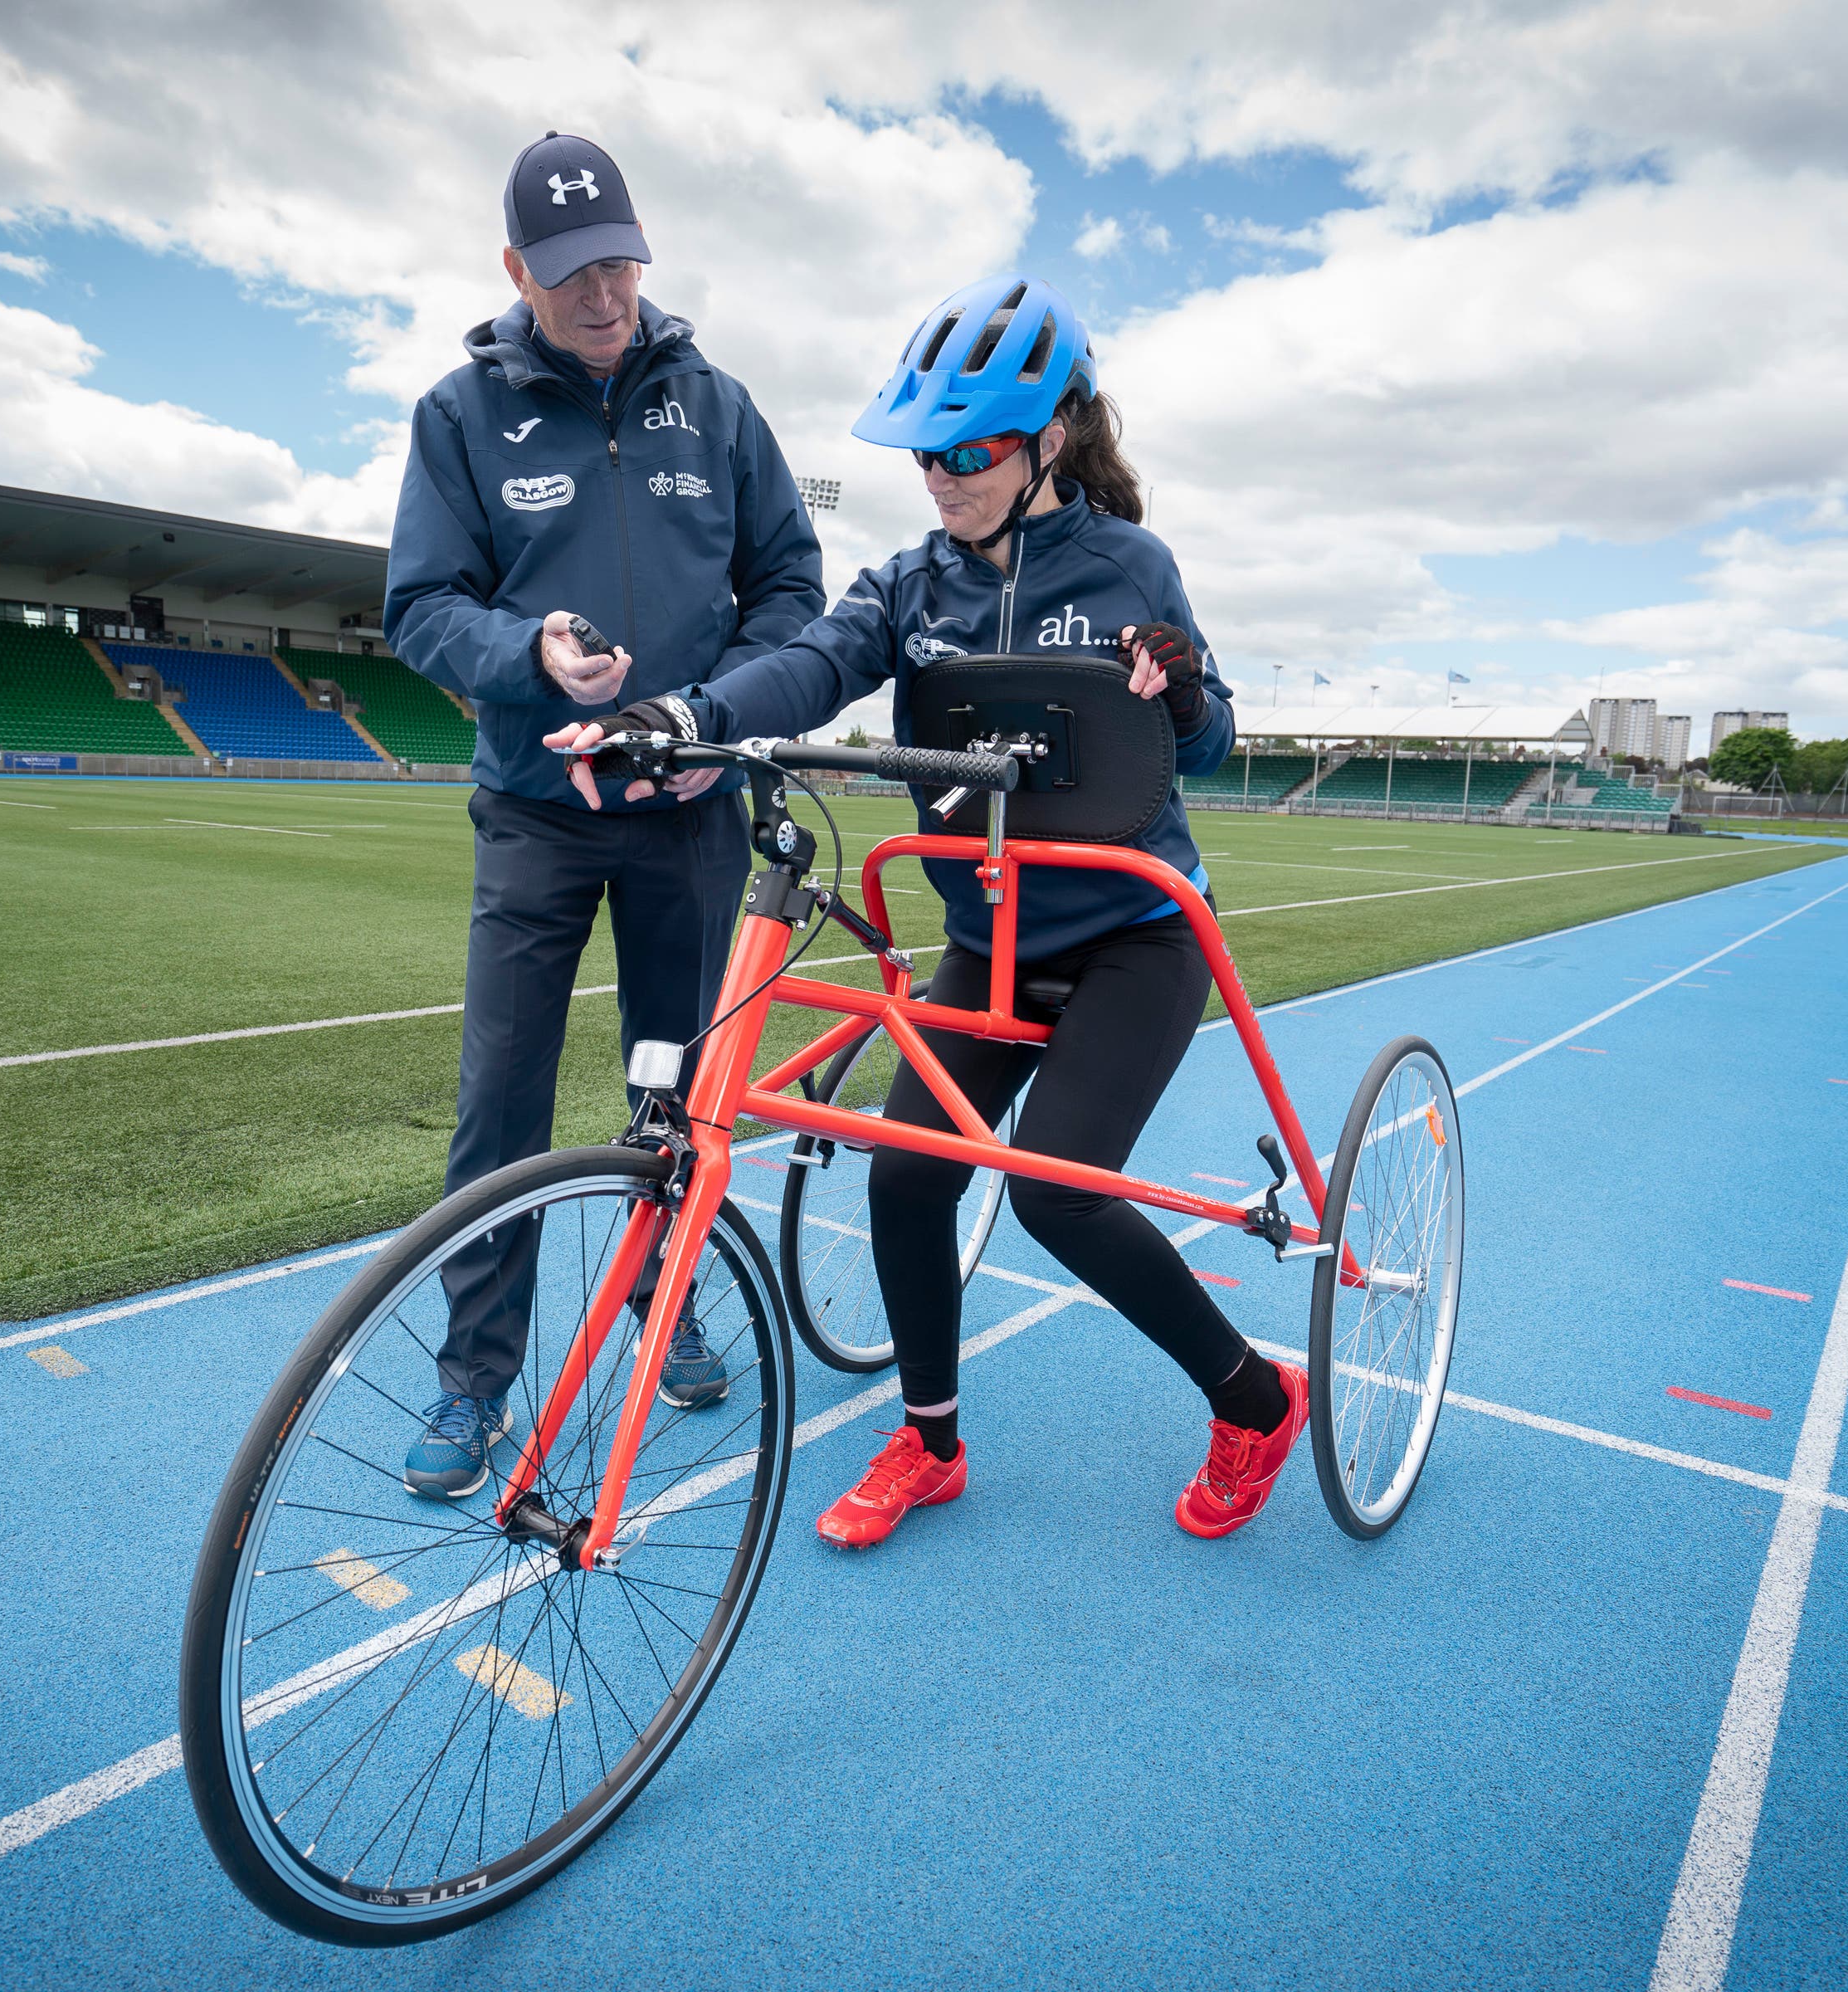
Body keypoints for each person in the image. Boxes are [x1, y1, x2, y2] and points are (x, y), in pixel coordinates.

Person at [550, 274, 1312, 1547]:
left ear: (1046, 443)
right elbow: (806, 666)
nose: (940, 477)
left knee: (1060, 1193)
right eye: (924, 453)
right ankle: (931, 1440)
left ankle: (1253, 1398)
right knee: (907, 1180)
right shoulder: (910, 584)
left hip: (1136, 935)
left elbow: (1214, 748)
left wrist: (1180, 688)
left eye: (967, 451)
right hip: (987, 939)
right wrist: (679, 716)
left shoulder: (1134, 566)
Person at [383, 132, 827, 1497]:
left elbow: (793, 596)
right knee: (499, 1106)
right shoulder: (460, 415)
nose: (604, 294)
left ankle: (663, 1303)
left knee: (681, 1096)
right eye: (573, 272)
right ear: (517, 268)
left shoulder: (720, 405)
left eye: (622, 263)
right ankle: (475, 1380)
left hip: (690, 810)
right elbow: (419, 609)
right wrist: (533, 657)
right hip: (537, 810)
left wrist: (720, 722)